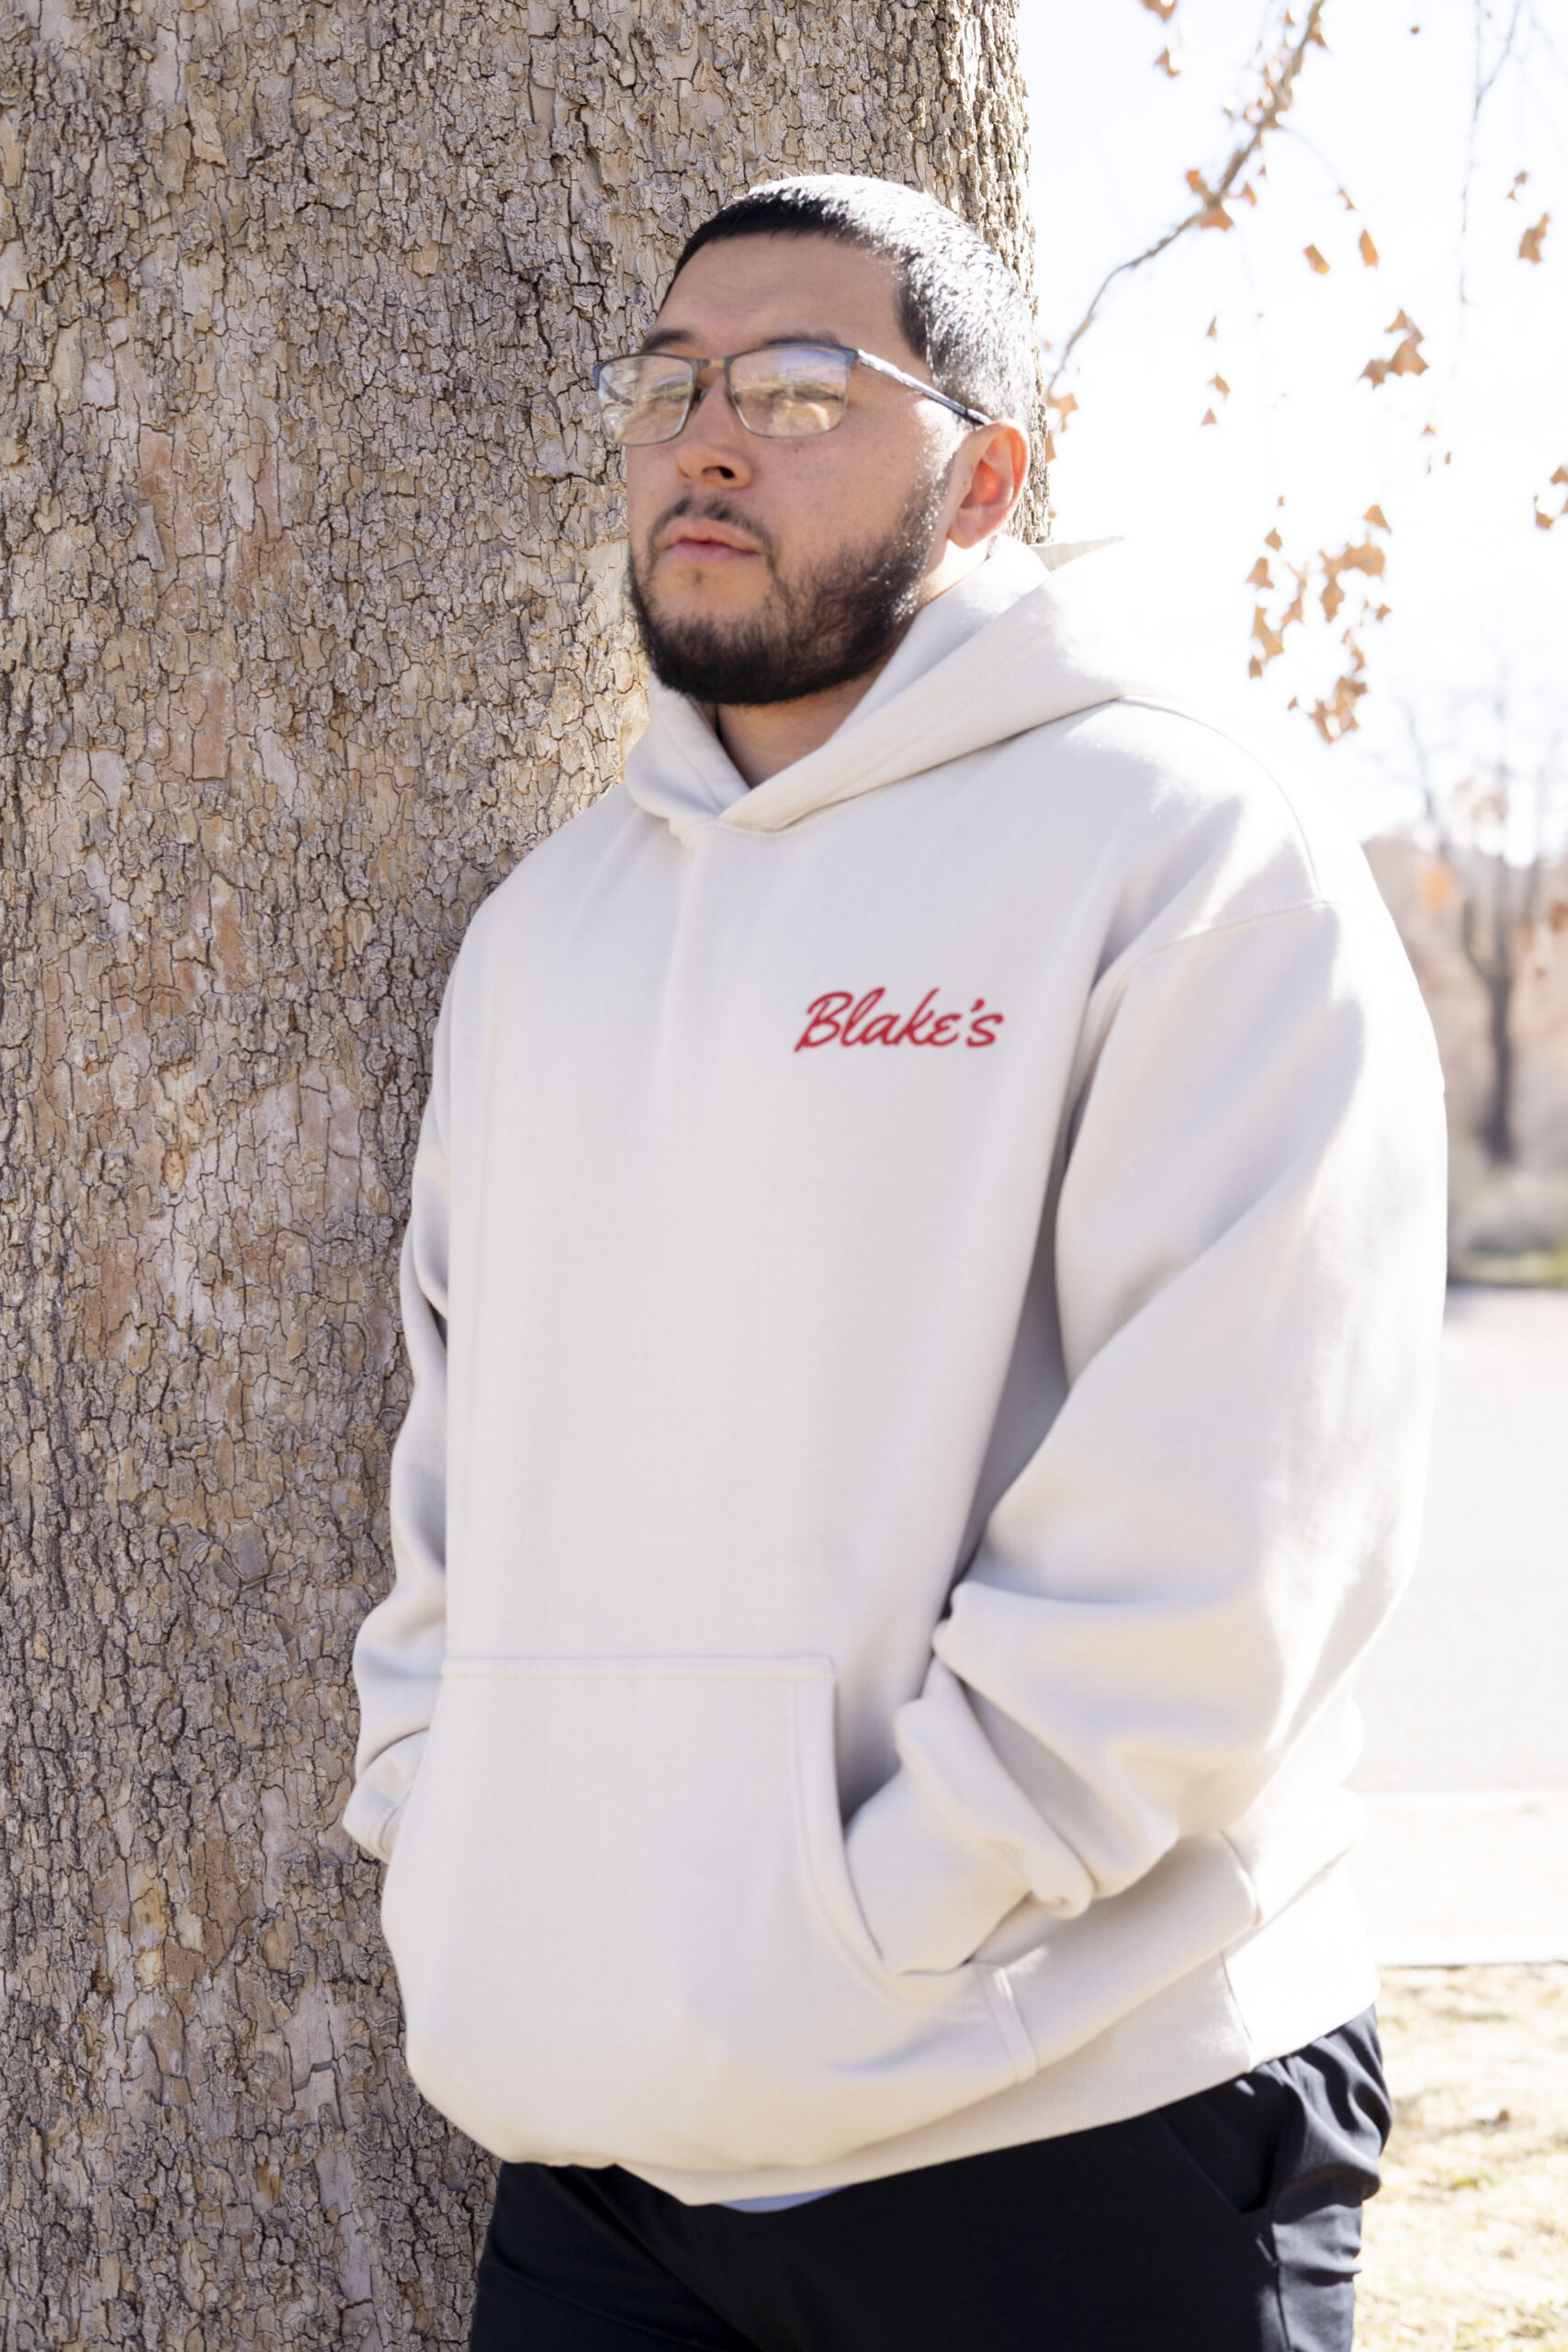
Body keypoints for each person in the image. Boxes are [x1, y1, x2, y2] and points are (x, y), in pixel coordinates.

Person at [344, 175, 1448, 2351]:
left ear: (988, 474)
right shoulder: (546, 933)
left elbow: (1226, 1526)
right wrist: (447, 1834)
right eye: (663, 385)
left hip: (1068, 2111)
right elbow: (456, 1475)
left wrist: (870, 1918)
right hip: (610, 2151)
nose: (705, 437)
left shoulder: (1187, 848)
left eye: (796, 384)